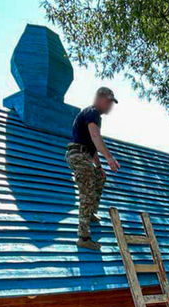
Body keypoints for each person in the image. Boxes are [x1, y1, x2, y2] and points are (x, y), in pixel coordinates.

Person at [65, 87, 121, 250]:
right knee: (87, 191)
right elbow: (96, 137)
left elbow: (92, 147)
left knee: (99, 177)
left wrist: (99, 167)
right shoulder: (92, 112)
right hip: (78, 156)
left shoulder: (93, 115)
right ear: (100, 99)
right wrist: (109, 157)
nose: (110, 106)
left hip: (84, 154)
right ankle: (84, 237)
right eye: (109, 102)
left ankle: (90, 212)